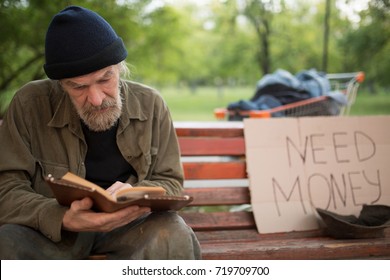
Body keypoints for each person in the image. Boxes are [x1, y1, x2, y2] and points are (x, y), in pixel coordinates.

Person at [0, 5, 201, 260]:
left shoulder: (151, 104)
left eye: (105, 79)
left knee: (172, 232)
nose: (95, 99)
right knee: (7, 242)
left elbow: (170, 181)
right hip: (55, 232)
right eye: (78, 87)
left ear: (120, 67)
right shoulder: (29, 104)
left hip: (129, 227)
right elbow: (6, 189)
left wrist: (137, 193)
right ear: (61, 85)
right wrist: (60, 216)